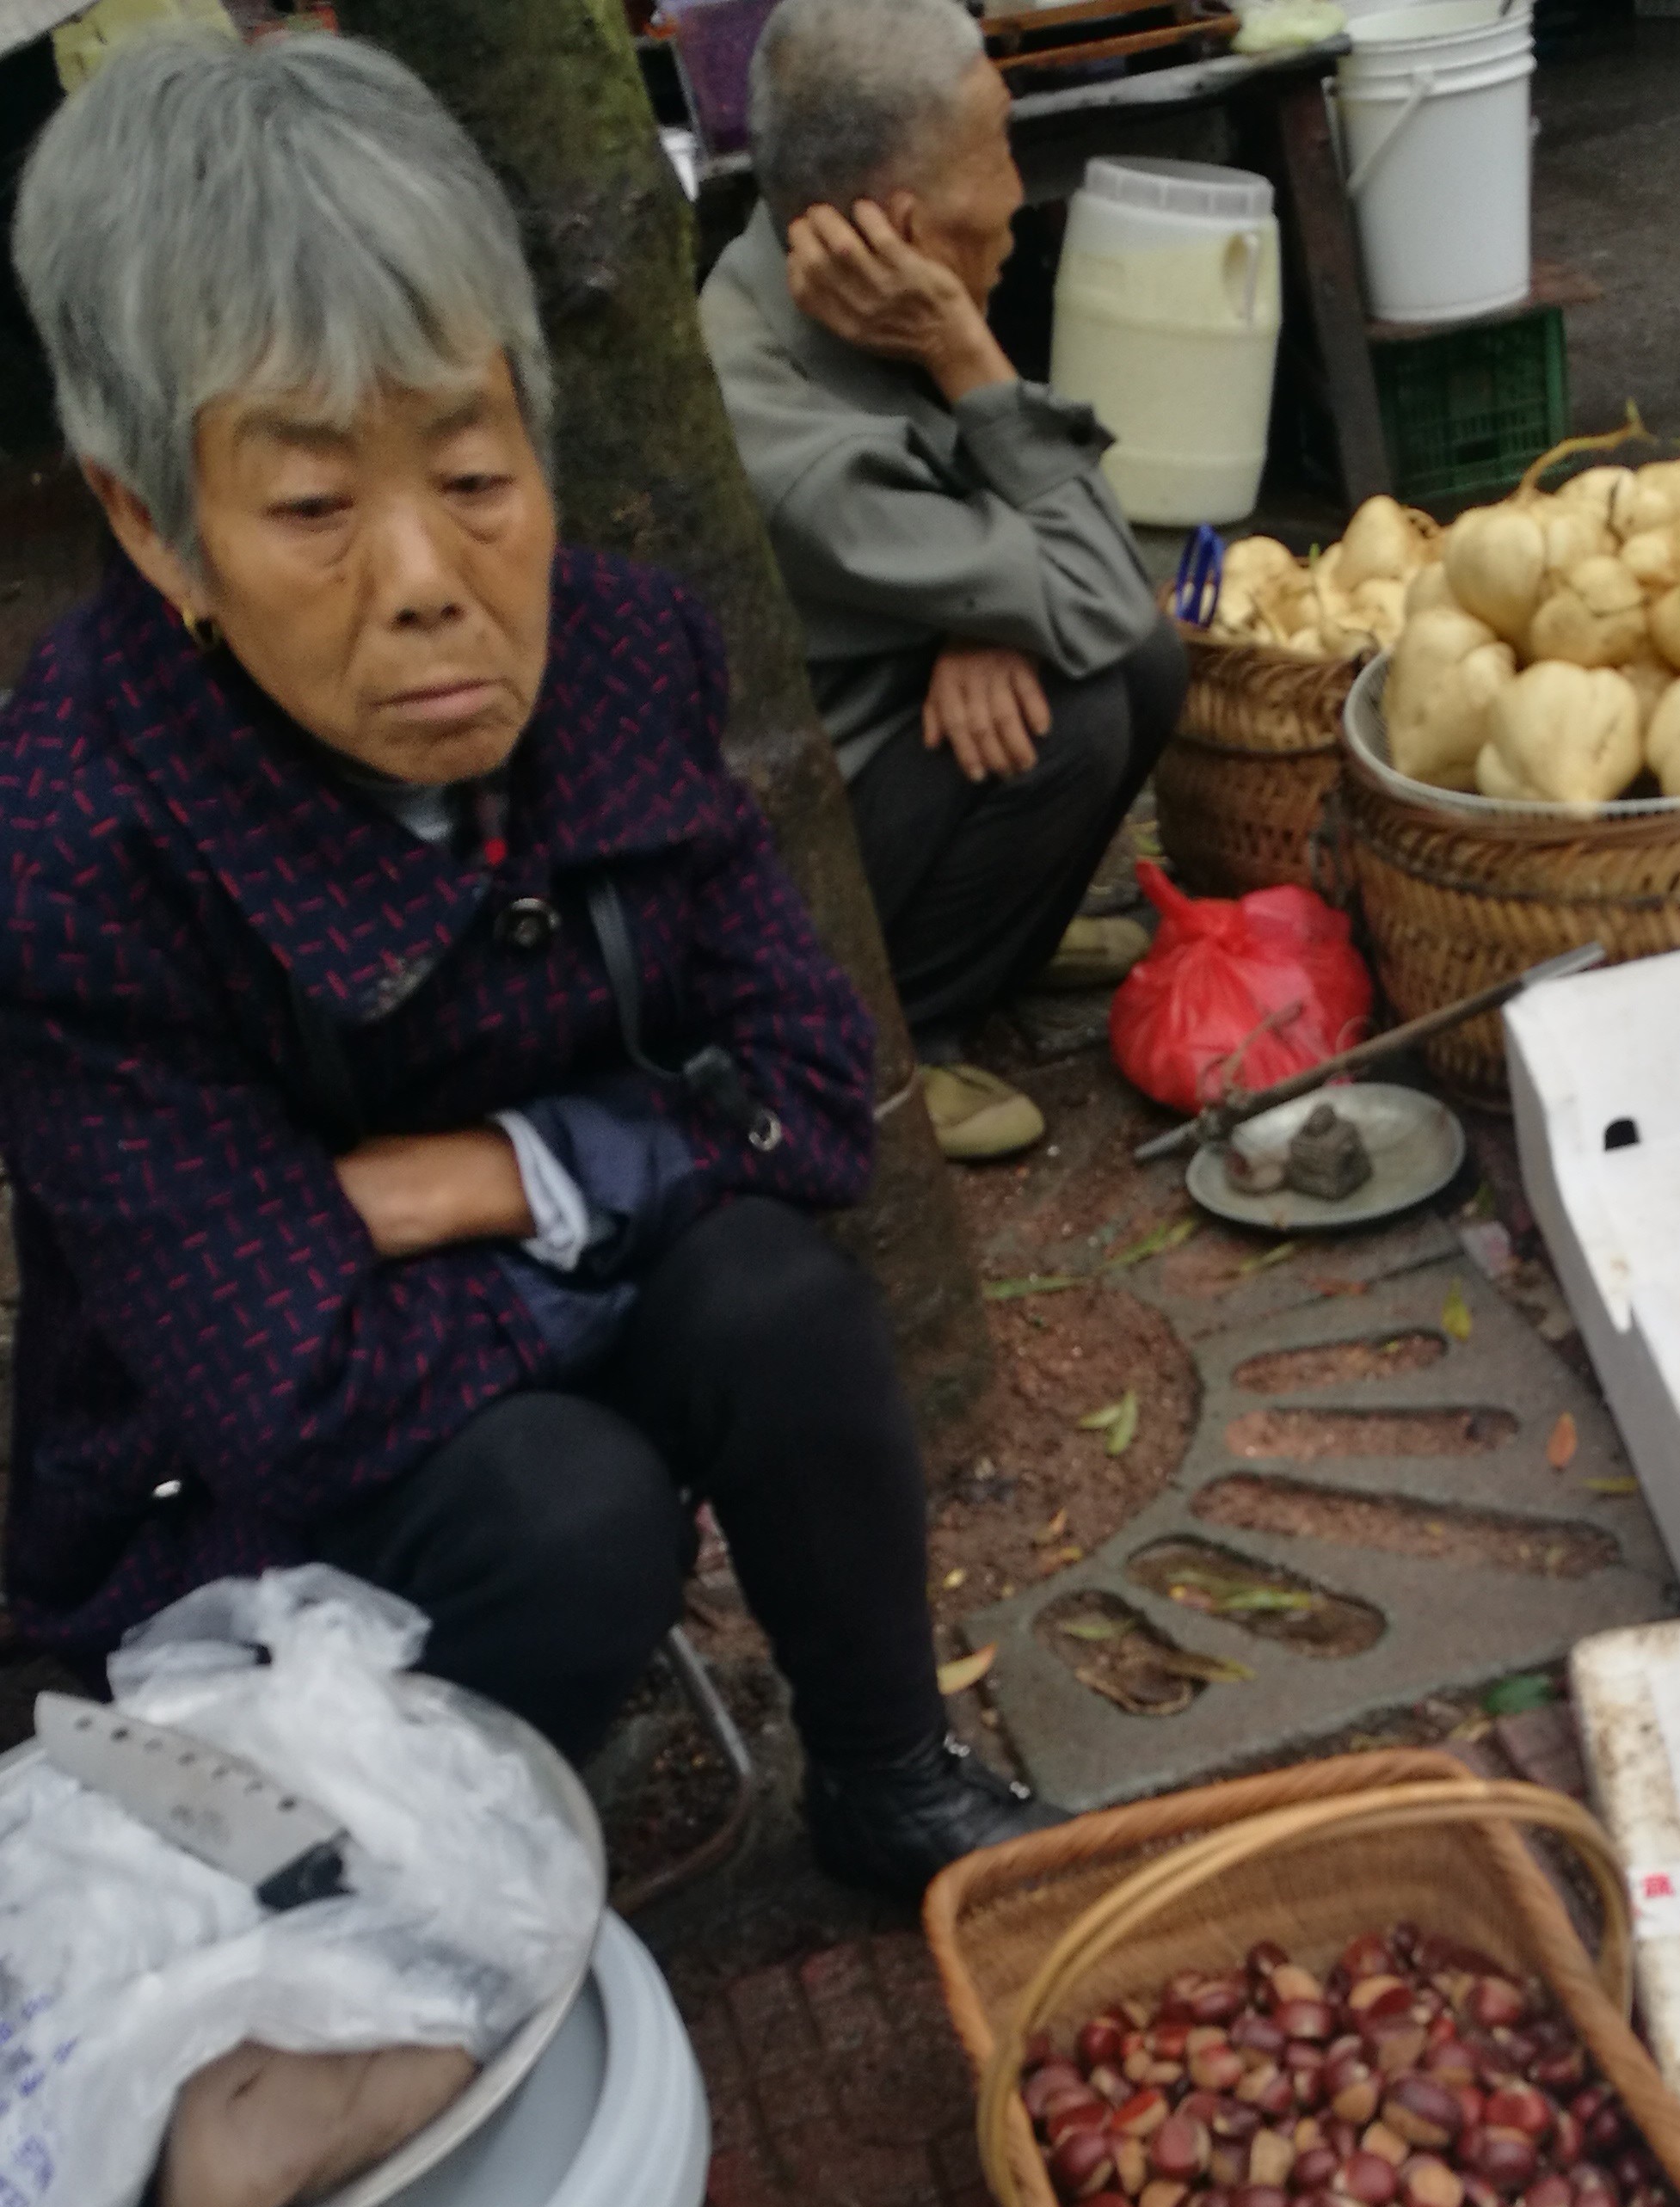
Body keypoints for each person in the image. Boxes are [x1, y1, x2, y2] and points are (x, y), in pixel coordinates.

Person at [0, 30, 1056, 1903]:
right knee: (571, 1514)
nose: (425, 578)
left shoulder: (625, 654)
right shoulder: (77, 843)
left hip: (485, 1303)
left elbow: (817, 1091)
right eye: (314, 510)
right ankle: (415, 1897)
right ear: (154, 525)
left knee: (778, 1304)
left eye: (475, 473)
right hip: (228, 1494)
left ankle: (895, 1785)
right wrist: (641, 1175)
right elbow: (291, 1394)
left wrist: (516, 1176)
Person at [701, 0, 1187, 1164]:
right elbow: (1105, 580)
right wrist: (970, 353)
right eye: (1001, 154)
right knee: (1070, 711)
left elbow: (1096, 590)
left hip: (875, 701)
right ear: (903, 227)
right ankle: (900, 1030)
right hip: (787, 850)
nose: (1019, 195)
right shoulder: (786, 436)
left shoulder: (819, 278)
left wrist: (984, 612)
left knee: (1145, 663)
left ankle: (1010, 942)